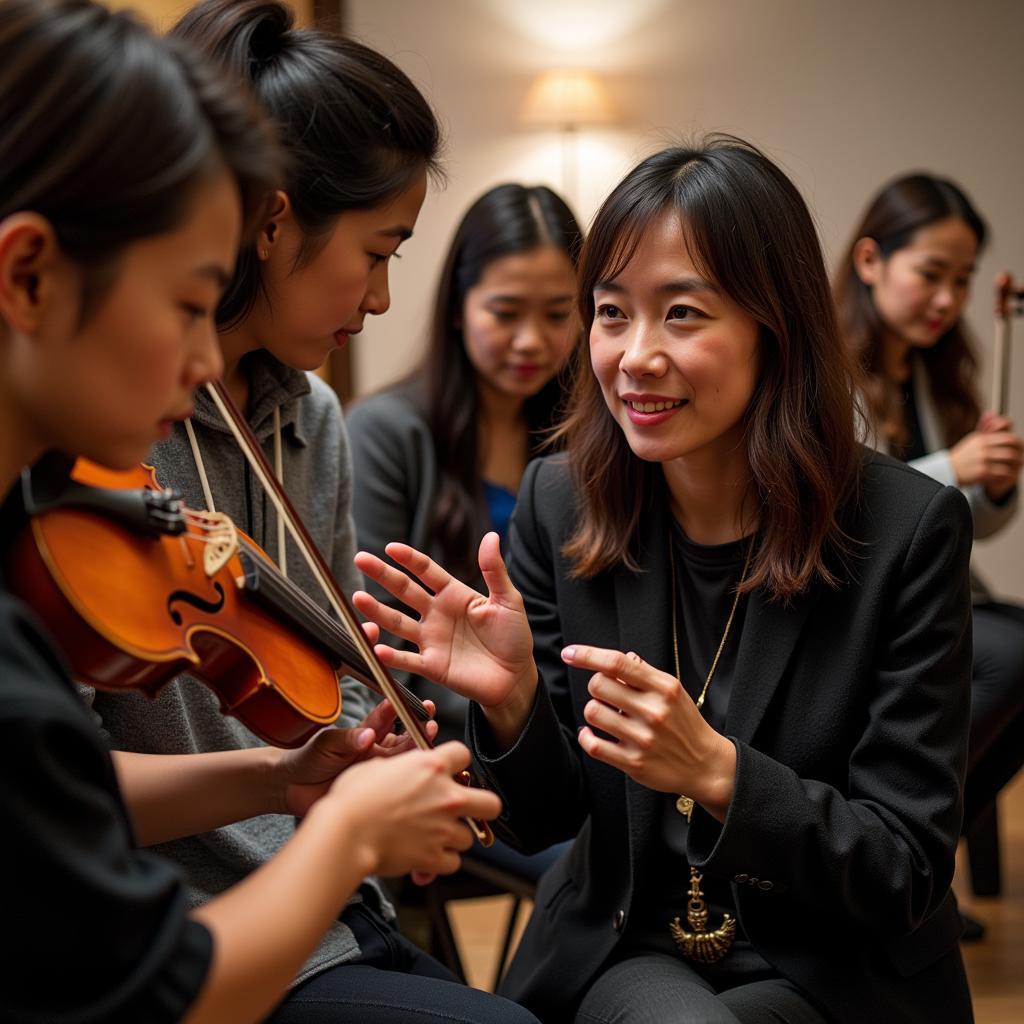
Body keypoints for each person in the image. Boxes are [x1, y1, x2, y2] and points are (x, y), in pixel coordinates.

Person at [353, 137, 976, 1023]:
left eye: (682, 313)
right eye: (612, 313)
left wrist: (721, 773)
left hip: (828, 962)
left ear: (776, 323)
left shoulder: (906, 531)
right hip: (627, 942)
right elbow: (541, 821)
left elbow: (904, 867)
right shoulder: (562, 499)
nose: (635, 355)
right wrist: (515, 704)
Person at [0, 3, 499, 1023]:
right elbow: (150, 985)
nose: (200, 364)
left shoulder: (304, 422)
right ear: (27, 275)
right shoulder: (57, 517)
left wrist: (301, 780)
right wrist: (343, 832)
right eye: (189, 301)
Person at [834, 173, 1024, 891]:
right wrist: (956, 463)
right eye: (931, 275)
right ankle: (885, 842)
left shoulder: (931, 370)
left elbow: (966, 524)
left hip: (929, 591)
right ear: (870, 262)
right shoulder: (830, 369)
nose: (948, 299)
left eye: (963, 280)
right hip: (854, 601)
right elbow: (849, 505)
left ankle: (919, 863)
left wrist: (995, 485)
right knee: (1007, 656)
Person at [347, 182, 581, 741]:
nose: (531, 341)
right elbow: (375, 635)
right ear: (457, 307)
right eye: (505, 312)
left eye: (557, 314)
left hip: (571, 741)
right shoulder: (385, 433)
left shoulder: (586, 440)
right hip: (444, 745)